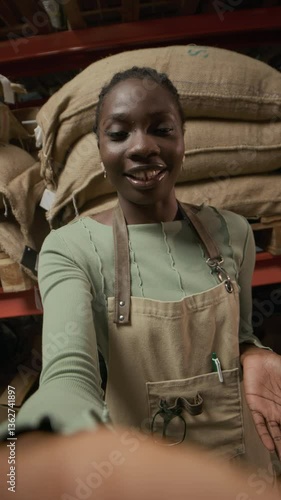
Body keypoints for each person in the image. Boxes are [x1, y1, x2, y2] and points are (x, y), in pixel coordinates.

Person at [0, 66, 281, 499]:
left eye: (161, 129)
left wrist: (255, 354)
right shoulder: (71, 250)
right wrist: (44, 435)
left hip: (243, 468)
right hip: (141, 477)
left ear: (183, 139)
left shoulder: (234, 232)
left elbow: (239, 335)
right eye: (119, 134)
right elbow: (69, 370)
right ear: (100, 148)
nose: (142, 146)